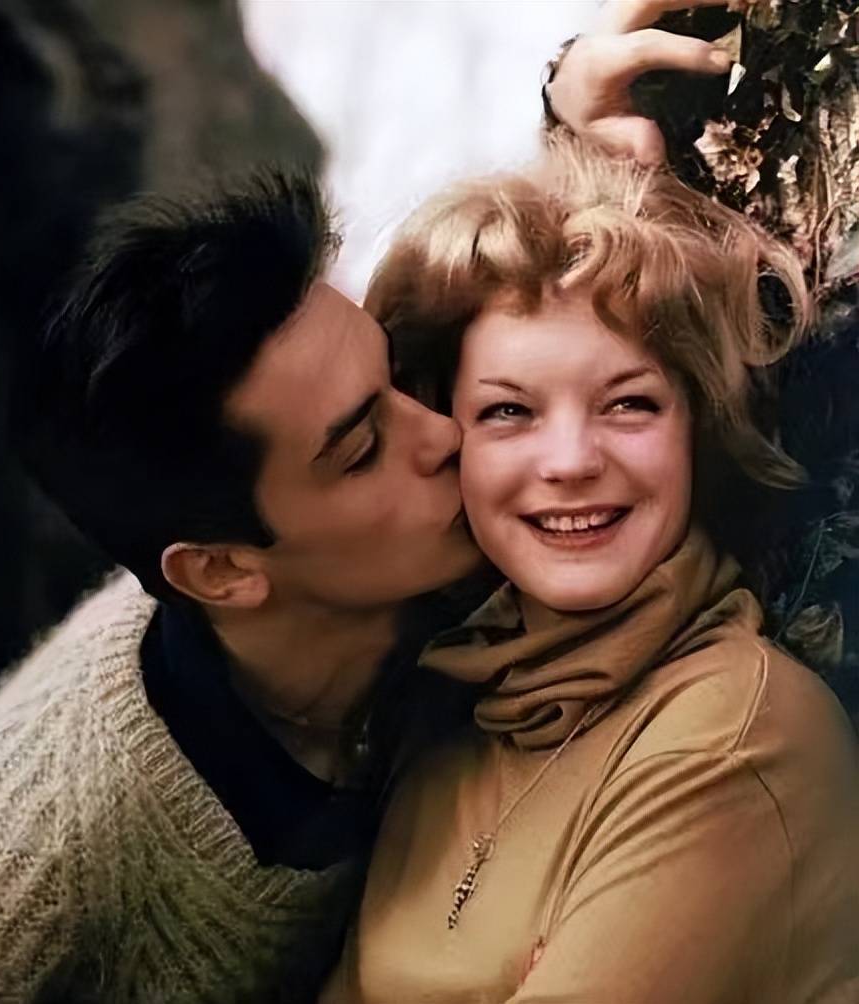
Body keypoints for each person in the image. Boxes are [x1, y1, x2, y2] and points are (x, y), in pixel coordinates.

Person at [0, 3, 736, 1001]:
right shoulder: (26, 854)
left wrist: (572, 135)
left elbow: (528, 326)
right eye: (364, 449)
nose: (442, 432)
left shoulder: (406, 543)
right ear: (223, 570)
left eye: (397, 377)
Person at [323, 137, 859, 1003]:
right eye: (508, 412)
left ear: (697, 429)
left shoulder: (738, 737)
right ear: (447, 438)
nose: (570, 461)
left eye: (629, 404)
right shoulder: (451, 715)